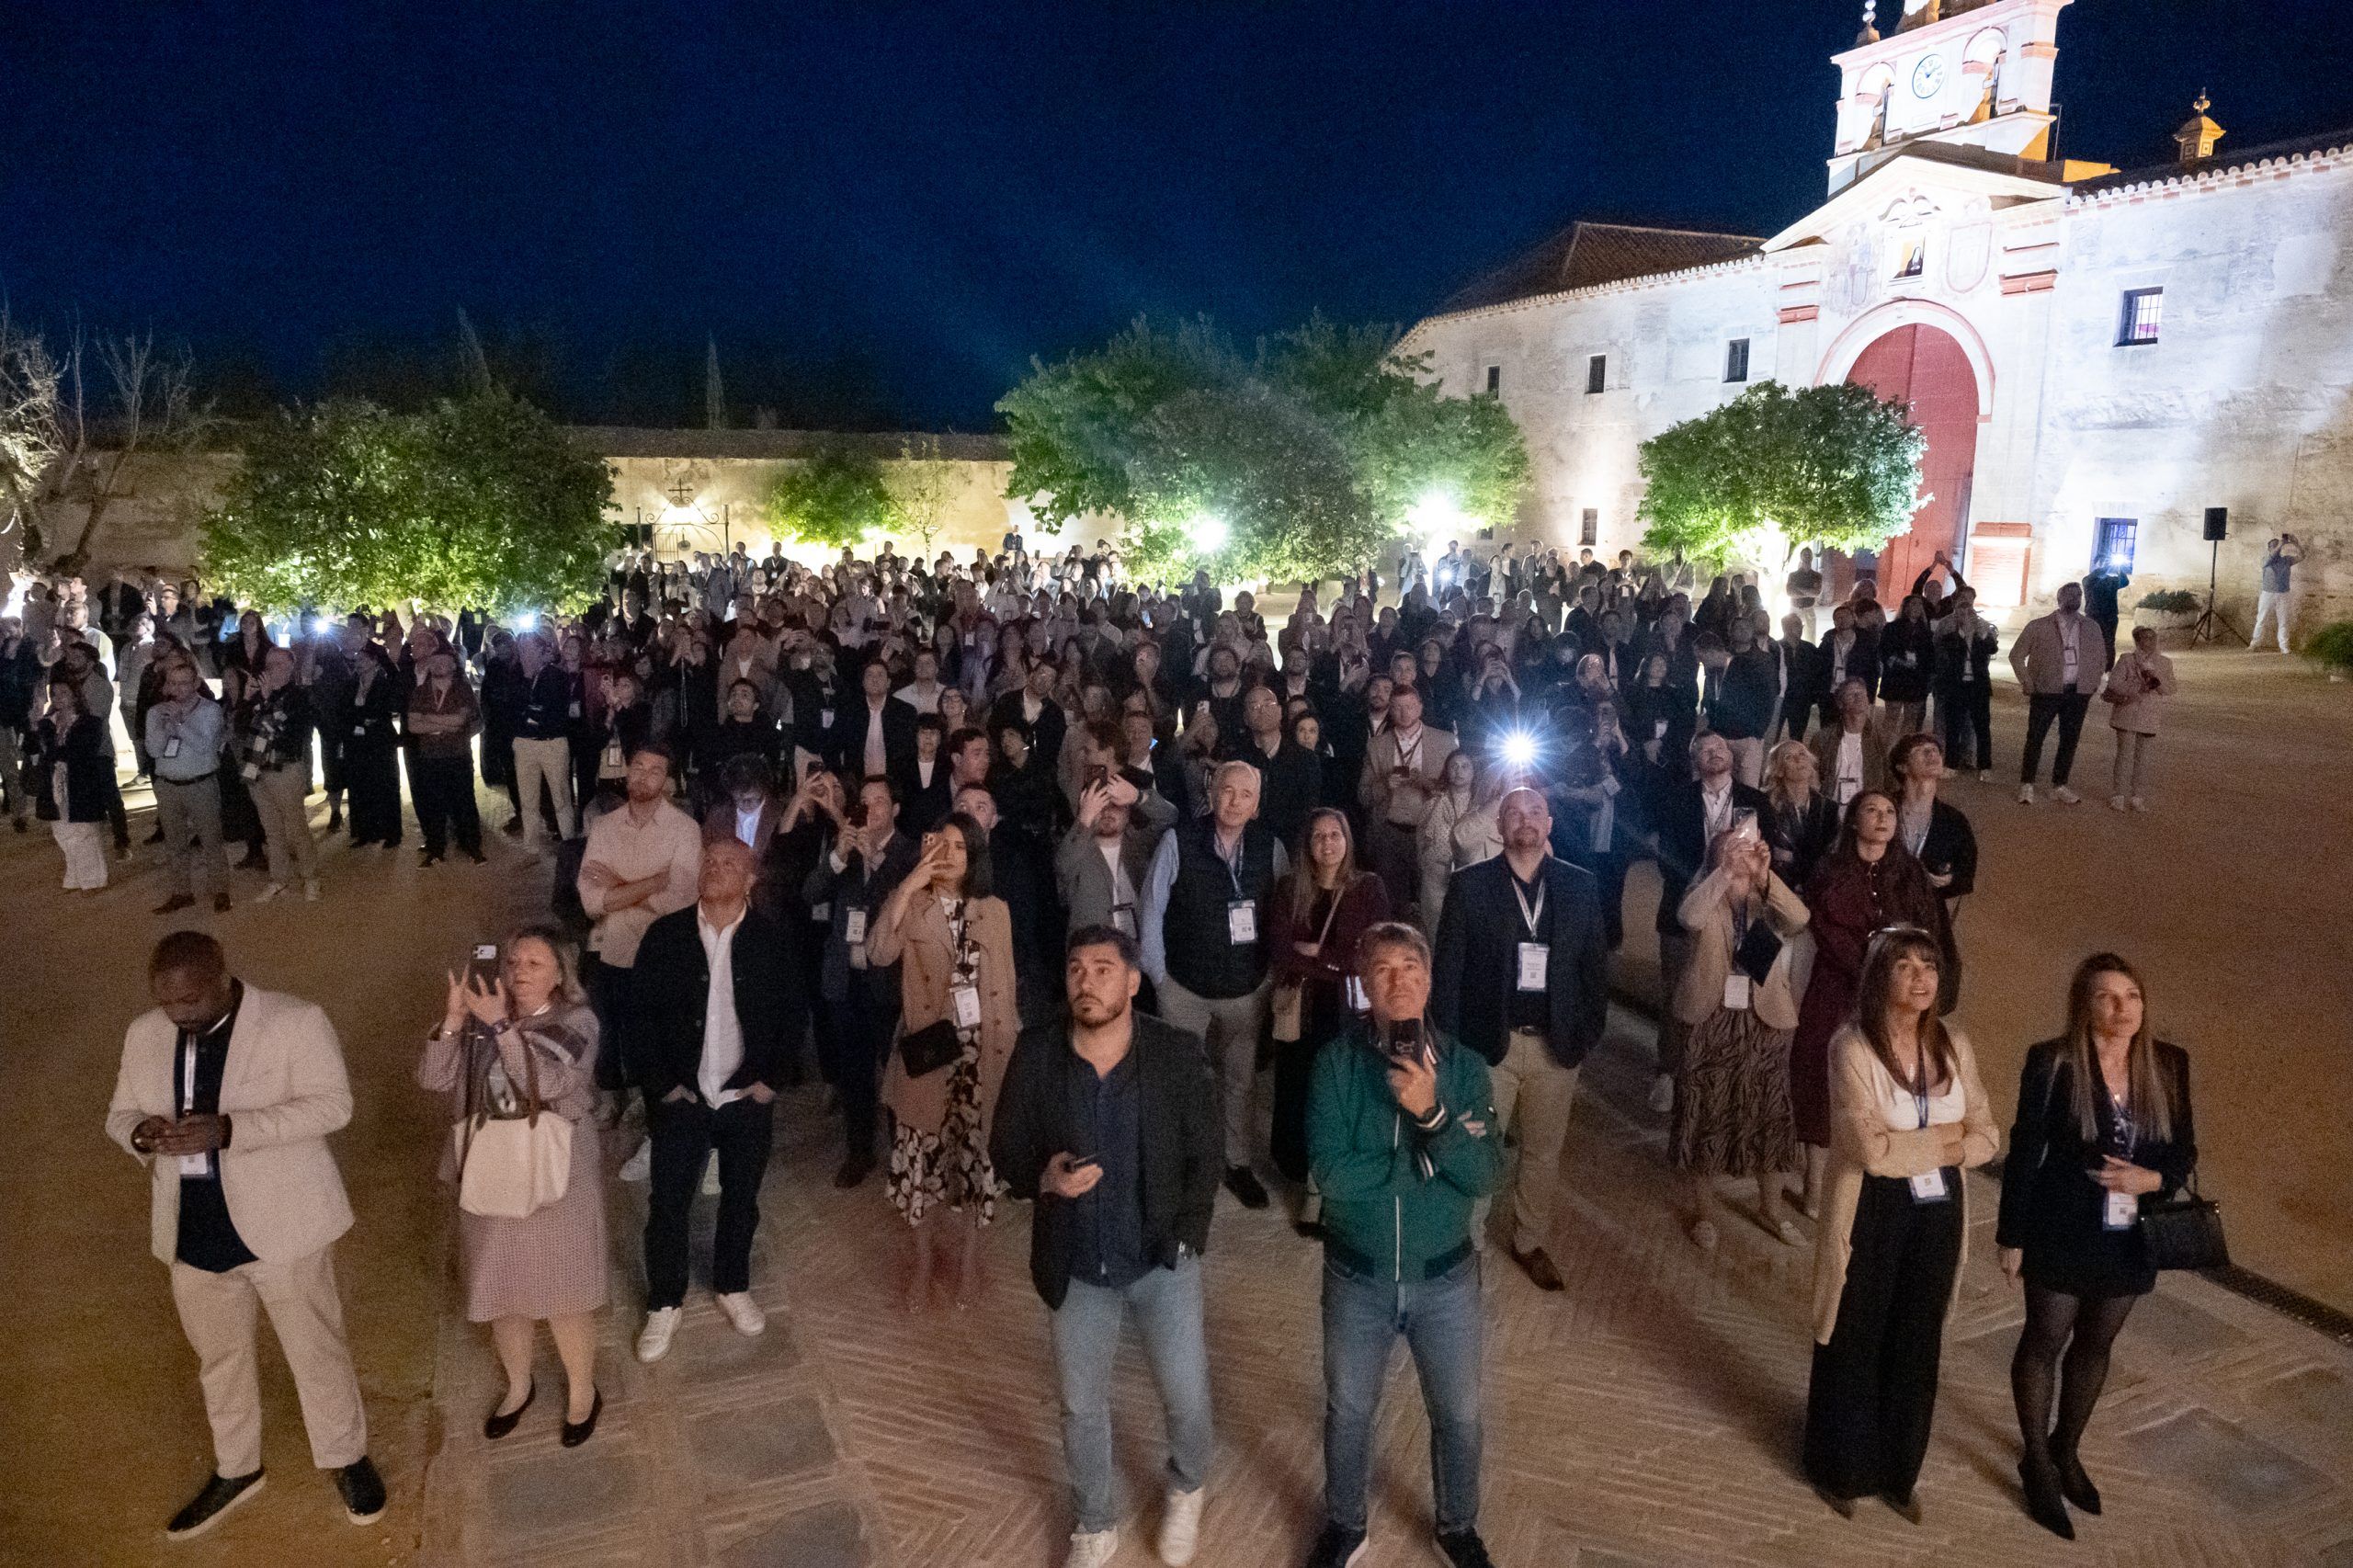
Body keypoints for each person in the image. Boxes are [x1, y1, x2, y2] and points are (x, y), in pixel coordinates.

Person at [105, 932, 386, 1539]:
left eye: (189, 1001)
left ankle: (345, 1457)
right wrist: (140, 1134)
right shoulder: (144, 1034)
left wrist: (231, 1130)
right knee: (219, 1359)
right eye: (164, 1002)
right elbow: (118, 1114)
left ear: (221, 978)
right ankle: (237, 1468)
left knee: (315, 1348)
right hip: (192, 1228)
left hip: (284, 1226)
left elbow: (333, 1106)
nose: (176, 1015)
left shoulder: (294, 1021)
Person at [990, 927, 1222, 1568]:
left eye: (1102, 968)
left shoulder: (1174, 1053)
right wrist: (1044, 1178)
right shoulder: (1038, 1052)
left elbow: (1206, 1153)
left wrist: (1187, 1235)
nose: (1086, 981)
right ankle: (1094, 1523)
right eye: (1075, 969)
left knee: (1186, 1395)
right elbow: (1005, 1148)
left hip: (1159, 1260)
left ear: (1133, 981)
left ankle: (1187, 1485)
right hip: (1076, 1264)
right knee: (1080, 1406)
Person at [1304, 922, 1502, 1568]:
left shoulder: (1466, 1069)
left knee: (1460, 1414)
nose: (1398, 981)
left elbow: (1485, 1175)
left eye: (1410, 968)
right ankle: (1345, 1525)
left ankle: (1457, 1527)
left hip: (1446, 1279)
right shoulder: (1336, 1065)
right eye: (1382, 970)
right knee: (1349, 1411)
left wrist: (1434, 1115)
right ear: (1364, 985)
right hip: (1355, 1276)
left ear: (1429, 980)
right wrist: (1426, 1160)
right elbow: (1332, 1177)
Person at [1998, 953, 2198, 1540]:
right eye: (2108, 997)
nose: (2122, 1009)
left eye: (2132, 996)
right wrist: (2011, 1236)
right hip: (2061, 1224)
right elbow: (2025, 1148)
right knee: (2045, 1340)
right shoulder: (2053, 1061)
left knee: (2096, 1344)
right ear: (2084, 1006)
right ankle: (2036, 1461)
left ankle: (2066, 1447)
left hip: (2130, 1233)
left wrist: (2151, 1179)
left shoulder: (2168, 1063)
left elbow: (2184, 1149)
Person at [1802, 926, 1996, 1522]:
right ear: (1879, 975)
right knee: (1855, 1331)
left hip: (1938, 1211)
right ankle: (1838, 1467)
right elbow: (1868, 1150)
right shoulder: (1852, 1046)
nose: (1920, 977)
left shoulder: (1954, 1045)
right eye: (1905, 965)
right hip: (1871, 1205)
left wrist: (1924, 1143)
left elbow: (1988, 1136)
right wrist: (1947, 1140)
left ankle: (1897, 1469)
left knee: (1917, 1336)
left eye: (1929, 966)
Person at [417, 926, 608, 1444]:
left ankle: (582, 1393)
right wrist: (454, 1021)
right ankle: (519, 1386)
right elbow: (434, 1080)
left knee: (565, 1292)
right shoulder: (479, 1022)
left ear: (559, 975)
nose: (518, 971)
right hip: (490, 1171)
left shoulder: (577, 1022)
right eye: (513, 962)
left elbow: (549, 1082)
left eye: (534, 964)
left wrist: (501, 1026)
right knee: (502, 1288)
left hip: (555, 1174)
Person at [1429, 787, 1608, 1291]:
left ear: (1549, 824)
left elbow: (1595, 970)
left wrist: (1586, 1034)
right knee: (1477, 1146)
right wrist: (1452, 1049)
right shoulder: (1470, 885)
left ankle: (1529, 1241)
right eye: (1513, 812)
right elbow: (1448, 973)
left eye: (1535, 812)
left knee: (1543, 1154)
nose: (1524, 820)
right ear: (1499, 826)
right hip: (1488, 1045)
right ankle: (1466, 1242)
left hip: (1557, 1046)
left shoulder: (1580, 885)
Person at [628, 837, 799, 1361]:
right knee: (668, 1203)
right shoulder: (665, 936)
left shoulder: (772, 939)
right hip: (684, 1096)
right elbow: (638, 1019)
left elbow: (794, 1015)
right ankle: (665, 1300)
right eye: (709, 861)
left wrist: (770, 1081)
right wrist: (662, 1086)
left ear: (750, 880)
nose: (715, 869)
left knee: (741, 1198)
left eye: (729, 863)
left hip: (745, 1096)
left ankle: (731, 1283)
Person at [870, 811, 1021, 1310]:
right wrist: (910, 883)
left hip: (984, 1055)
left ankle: (970, 1261)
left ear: (975, 856)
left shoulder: (995, 910)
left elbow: (1007, 989)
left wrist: (1012, 1055)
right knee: (922, 1162)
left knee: (978, 1161)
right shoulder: (914, 903)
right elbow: (878, 952)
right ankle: (922, 1263)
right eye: (943, 844)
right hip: (930, 1054)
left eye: (961, 847)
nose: (950, 855)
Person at [1140, 759, 1290, 1210]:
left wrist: (1270, 978)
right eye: (1227, 790)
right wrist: (1159, 978)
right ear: (1211, 793)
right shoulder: (1178, 839)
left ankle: (1236, 1162)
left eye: (1246, 795)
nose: (1235, 801)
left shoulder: (1271, 846)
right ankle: (1181, 1161)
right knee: (1180, 1078)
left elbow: (1283, 914)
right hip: (1184, 988)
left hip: (1246, 989)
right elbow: (1151, 909)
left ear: (1257, 805)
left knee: (1240, 1082)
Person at [1790, 791, 1946, 1218]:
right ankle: (1814, 1181)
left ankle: (1873, 1178)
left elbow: (1925, 931)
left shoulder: (1909, 873)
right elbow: (1826, 929)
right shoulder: (1830, 870)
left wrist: (1901, 977)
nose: (1882, 818)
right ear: (1854, 821)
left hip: (1896, 997)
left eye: (1890, 811)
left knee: (1887, 1081)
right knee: (1823, 1076)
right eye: (1872, 810)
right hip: (1837, 988)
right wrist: (1873, 973)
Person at [1671, 823, 1809, 1249]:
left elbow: (1800, 919)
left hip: (1763, 1018)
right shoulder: (1705, 893)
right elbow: (1688, 917)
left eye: (1748, 846)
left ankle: (1771, 1209)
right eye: (1732, 846)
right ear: (1716, 855)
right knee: (1705, 1110)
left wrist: (1767, 877)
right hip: (1709, 1015)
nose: (1742, 852)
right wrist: (1724, 873)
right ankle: (1704, 1212)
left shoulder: (1767, 900)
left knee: (1770, 1115)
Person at [575, 744, 704, 1142]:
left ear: (667, 781)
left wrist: (618, 884)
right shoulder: (604, 827)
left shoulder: (685, 830)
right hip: (612, 949)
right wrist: (653, 883)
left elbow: (679, 904)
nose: (645, 776)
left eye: (655, 770)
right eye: (639, 767)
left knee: (658, 1043)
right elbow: (592, 901)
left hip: (663, 957)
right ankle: (619, 1097)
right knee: (611, 1032)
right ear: (627, 771)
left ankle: (656, 1127)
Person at [1268, 809, 1391, 1220]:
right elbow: (1280, 950)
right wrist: (1337, 960)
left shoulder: (1368, 888)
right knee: (1300, 1090)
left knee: (1340, 1097)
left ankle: (1329, 1184)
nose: (1327, 843)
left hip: (1347, 1012)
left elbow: (1373, 953)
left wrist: (1320, 956)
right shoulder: (1289, 888)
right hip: (1301, 1010)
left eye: (1335, 834)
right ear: (1308, 844)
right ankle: (1305, 1172)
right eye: (1318, 836)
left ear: (1347, 839)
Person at [805, 771, 922, 1187]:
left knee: (896, 1074)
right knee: (854, 1074)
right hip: (846, 980)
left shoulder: (910, 853)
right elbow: (811, 894)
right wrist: (839, 855)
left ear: (895, 809)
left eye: (879, 801)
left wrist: (876, 858)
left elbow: (910, 902)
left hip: (889, 984)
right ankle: (859, 1152)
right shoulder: (846, 848)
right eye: (865, 801)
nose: (869, 808)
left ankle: (903, 1157)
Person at [1650, 733, 1771, 1116]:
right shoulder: (1676, 799)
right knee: (1678, 993)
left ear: (1731, 755)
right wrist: (1705, 887)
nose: (1714, 752)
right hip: (1685, 910)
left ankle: (1735, 1073)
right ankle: (1669, 1072)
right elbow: (1665, 855)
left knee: (1749, 994)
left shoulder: (1757, 801)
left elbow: (1769, 859)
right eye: (1704, 749)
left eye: (1719, 747)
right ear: (1695, 761)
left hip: (1747, 913)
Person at [1356, 685, 1456, 922]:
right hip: (1391, 833)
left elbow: (1458, 789)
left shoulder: (1445, 742)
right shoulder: (1377, 745)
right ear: (1390, 710)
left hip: (1432, 833)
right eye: (1398, 707)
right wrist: (1384, 785)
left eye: (1410, 706)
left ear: (1420, 707)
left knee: (1434, 904)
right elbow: (1363, 796)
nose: (1404, 713)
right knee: (1391, 907)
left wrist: (1427, 783)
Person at [145, 659, 233, 915]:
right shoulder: (156, 712)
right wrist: (165, 725)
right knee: (174, 843)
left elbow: (204, 746)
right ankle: (182, 892)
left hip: (200, 784)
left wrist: (180, 724)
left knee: (211, 840)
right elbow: (154, 750)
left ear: (195, 683)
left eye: (184, 683)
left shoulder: (210, 711)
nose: (178, 689)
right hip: (167, 786)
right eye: (173, 683)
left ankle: (221, 890)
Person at [2008, 583, 2105, 805]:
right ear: (2059, 598)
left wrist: (2092, 683)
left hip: (2077, 692)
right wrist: (2027, 681)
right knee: (2035, 737)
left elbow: (2100, 657)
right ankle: (2027, 784)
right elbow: (2016, 655)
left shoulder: (2091, 627)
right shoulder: (2039, 626)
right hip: (2046, 690)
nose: (2075, 598)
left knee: (2070, 739)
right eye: (2070, 594)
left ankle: (2059, 784)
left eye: (2078, 594)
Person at [1054, 768, 1176, 937]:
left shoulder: (1141, 843)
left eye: (1116, 805)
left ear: (1128, 811)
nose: (1107, 811)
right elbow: (1063, 866)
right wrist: (1084, 820)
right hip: (1094, 948)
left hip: (1139, 946)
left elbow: (1169, 817)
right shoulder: (1075, 850)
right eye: (1101, 805)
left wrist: (1137, 796)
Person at [406, 646, 486, 867]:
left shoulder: (462, 689)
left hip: (458, 755)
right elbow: (412, 725)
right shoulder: (421, 691)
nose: (439, 665)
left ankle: (473, 847)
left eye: (444, 661)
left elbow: (460, 721)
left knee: (465, 802)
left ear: (453, 666)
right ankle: (435, 849)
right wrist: (447, 724)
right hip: (430, 757)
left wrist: (428, 719)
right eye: (435, 661)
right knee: (433, 804)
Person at [32, 675, 111, 890]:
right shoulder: (47, 723)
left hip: (80, 783)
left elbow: (80, 753)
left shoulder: (89, 722)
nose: (58, 698)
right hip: (54, 783)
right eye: (54, 694)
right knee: (62, 831)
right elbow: (39, 751)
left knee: (84, 832)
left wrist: (54, 752)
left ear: (76, 696)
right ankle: (74, 876)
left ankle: (93, 880)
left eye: (64, 693)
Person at [2099, 626, 2176, 812]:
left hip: (2149, 715)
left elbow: (2170, 688)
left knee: (2143, 758)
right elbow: (2114, 683)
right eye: (2145, 638)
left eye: (2153, 638)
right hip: (2127, 712)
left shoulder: (2164, 662)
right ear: (2138, 641)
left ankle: (2137, 796)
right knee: (2124, 755)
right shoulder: (2127, 660)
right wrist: (2136, 688)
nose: (2150, 642)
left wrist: (2154, 677)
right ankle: (2118, 794)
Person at [512, 631, 578, 846]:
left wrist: (529, 714)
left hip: (552, 743)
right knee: (528, 800)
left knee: (561, 797)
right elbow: (512, 709)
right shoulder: (516, 676)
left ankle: (569, 844)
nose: (525, 654)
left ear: (542, 651)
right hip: (524, 744)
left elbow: (553, 712)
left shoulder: (556, 676)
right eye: (522, 649)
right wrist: (526, 682)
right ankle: (531, 847)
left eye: (530, 649)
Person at [1808, 679, 1889, 811]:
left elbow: (1891, 780)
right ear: (1840, 703)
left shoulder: (1882, 739)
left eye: (1862, 693)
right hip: (1830, 808)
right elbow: (1812, 776)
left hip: (1868, 810)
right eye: (1852, 694)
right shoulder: (1823, 738)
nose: (1858, 697)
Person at [2249, 532, 2302, 653]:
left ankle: (2284, 646)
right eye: (2274, 546)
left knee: (2283, 620)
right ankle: (2254, 643)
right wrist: (2281, 544)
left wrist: (2296, 544)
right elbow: (2272, 557)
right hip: (2267, 593)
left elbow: (2302, 556)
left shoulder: (2286, 560)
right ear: (2269, 549)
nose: (2277, 548)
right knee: (2261, 618)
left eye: (2277, 545)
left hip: (2283, 593)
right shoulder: (2266, 560)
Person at [2082, 559, 2131, 671]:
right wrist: (2105, 567)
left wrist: (2120, 570)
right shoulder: (2088, 580)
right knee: (2091, 641)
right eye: (2103, 562)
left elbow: (2124, 582)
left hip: (2109, 617)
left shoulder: (2111, 581)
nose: (2106, 564)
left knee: (2109, 643)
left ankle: (2107, 669)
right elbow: (2093, 576)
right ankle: (2090, 666)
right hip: (2093, 616)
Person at [1787, 547, 1824, 641]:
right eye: (1805, 554)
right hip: (1795, 609)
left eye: (1809, 554)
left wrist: (1798, 589)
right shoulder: (1793, 575)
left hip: (1809, 609)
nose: (1807, 556)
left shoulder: (1817, 576)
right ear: (1801, 557)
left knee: (1810, 638)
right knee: (1791, 636)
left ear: (1812, 557)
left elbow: (1816, 593)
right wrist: (1809, 592)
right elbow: (1790, 593)